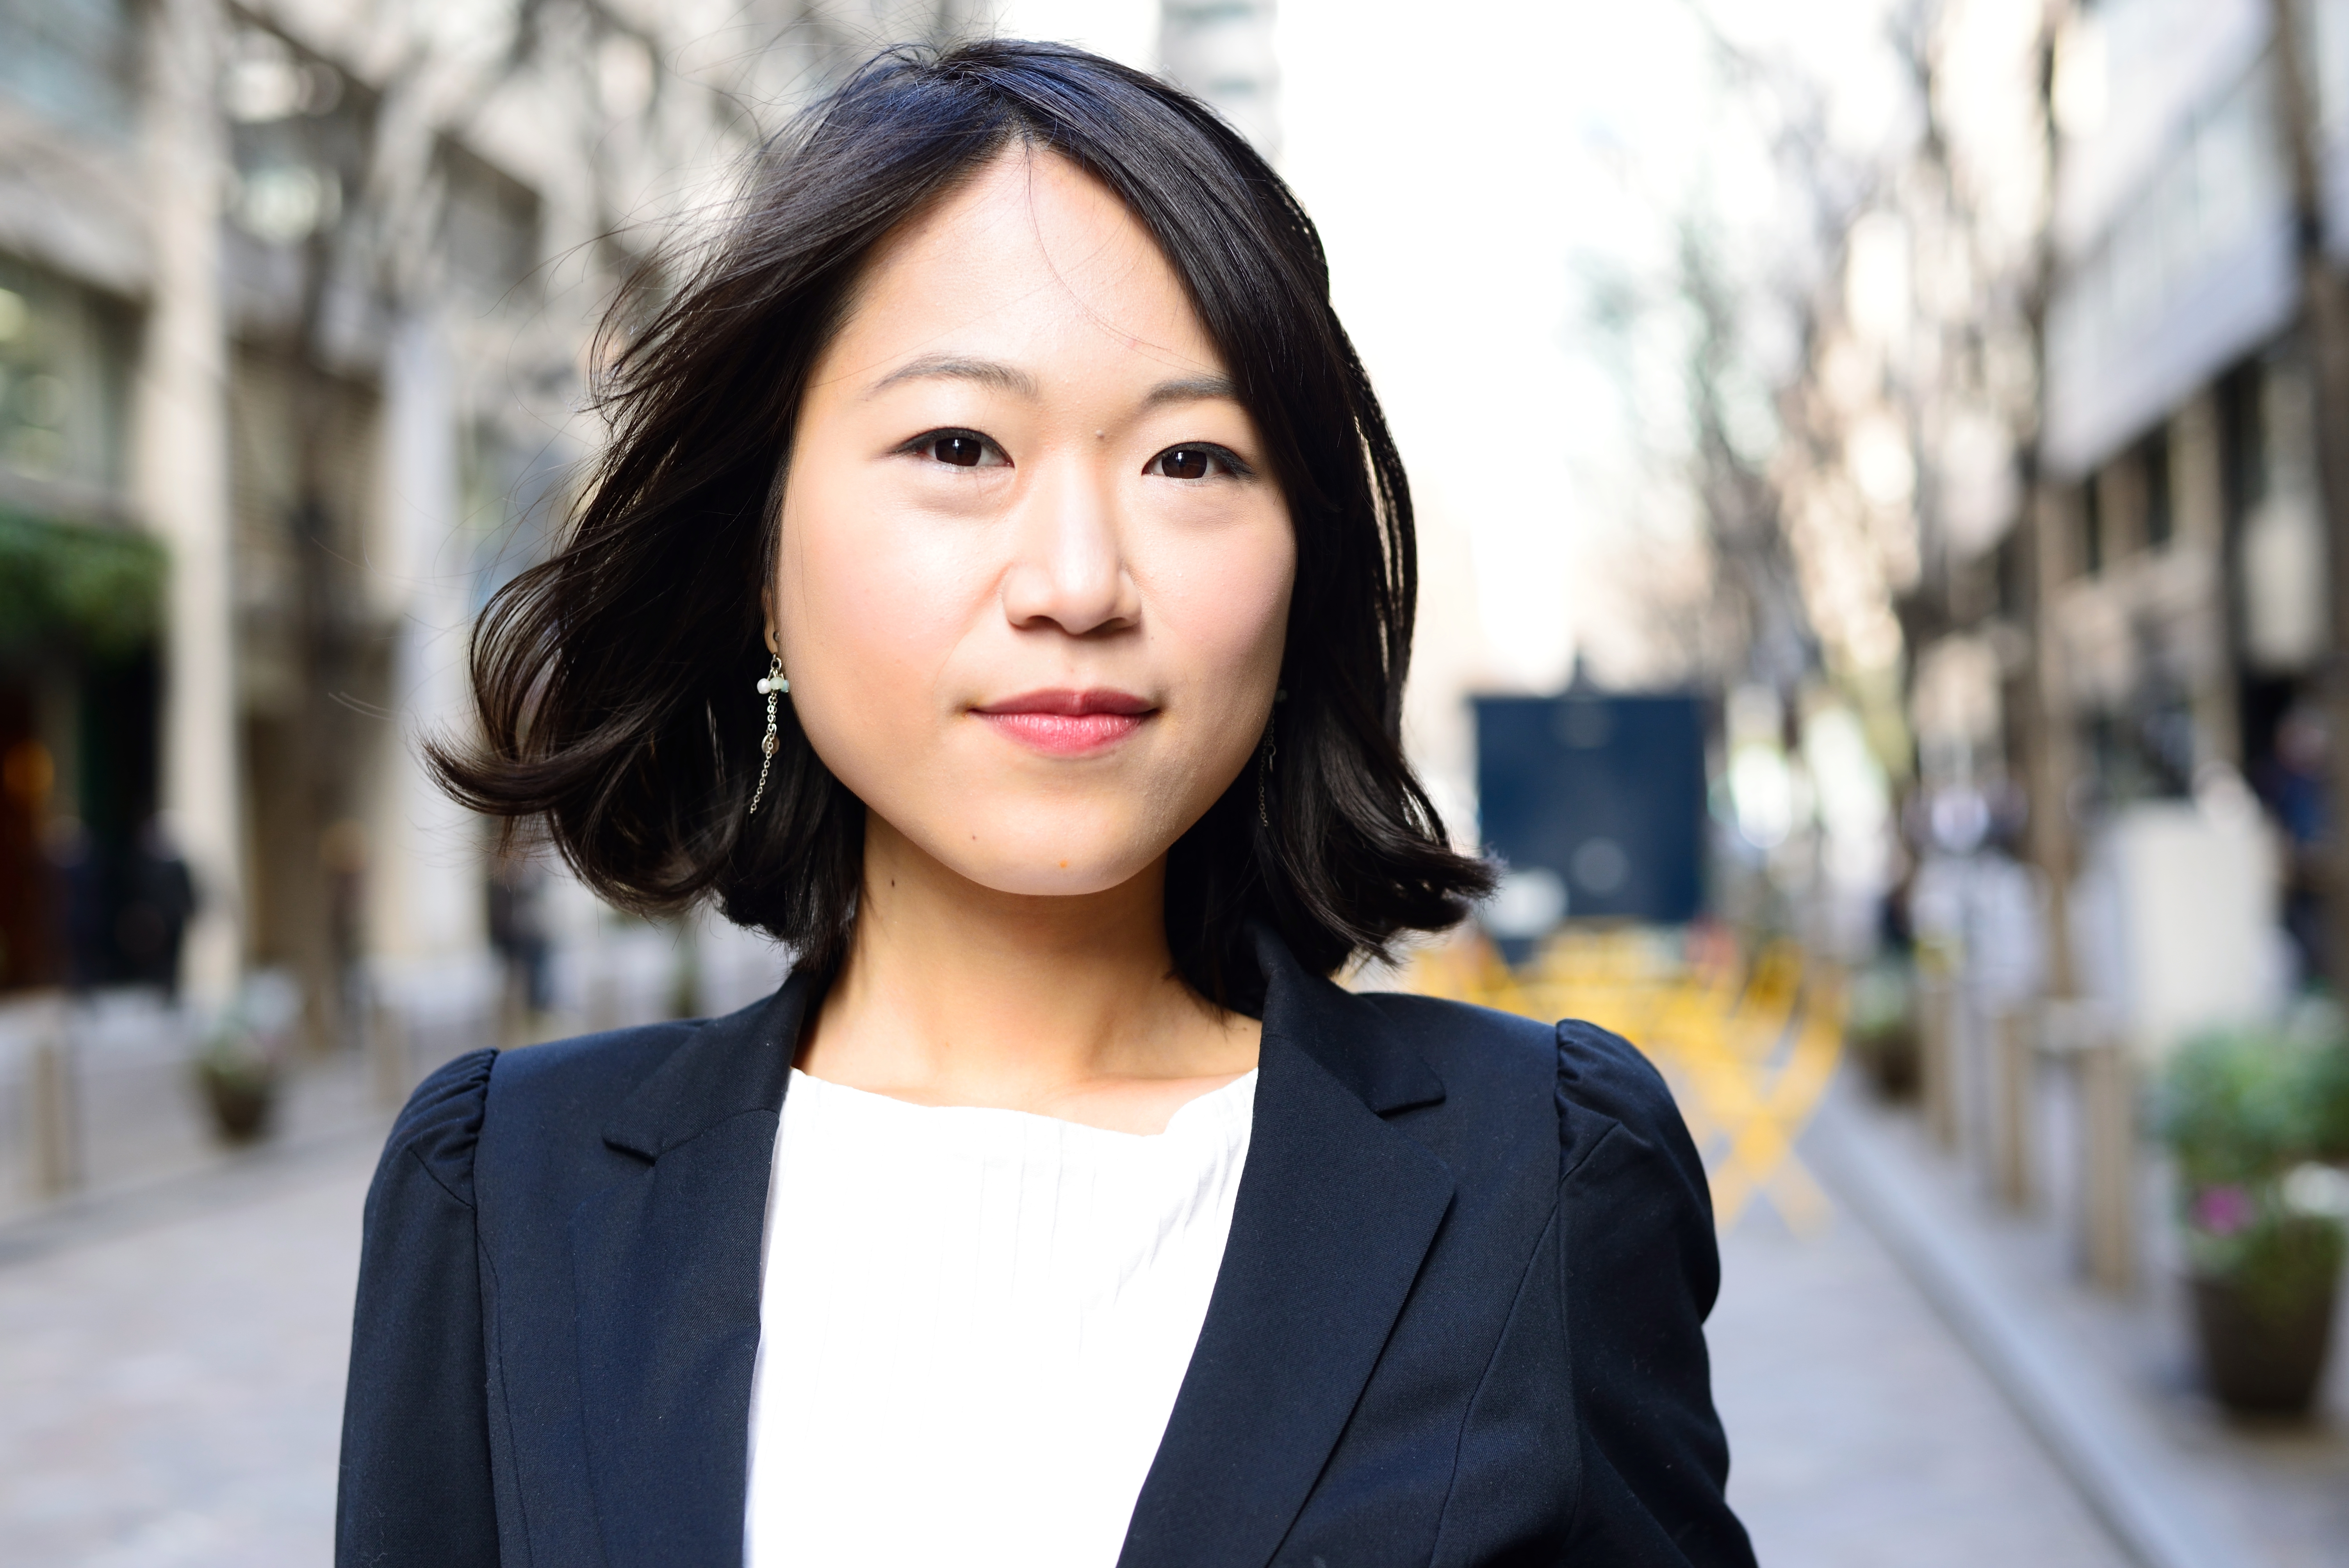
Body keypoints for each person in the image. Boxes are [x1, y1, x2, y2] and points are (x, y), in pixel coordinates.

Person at [338, 40, 1751, 1568]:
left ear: (1303, 569)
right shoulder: (504, 1192)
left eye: (1191, 458)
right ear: (759, 557)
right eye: (959, 446)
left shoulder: (1538, 1171)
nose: (1077, 581)